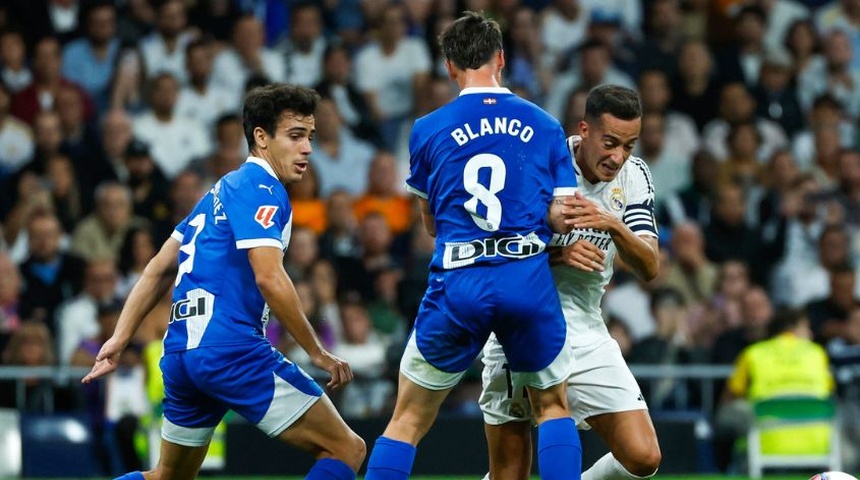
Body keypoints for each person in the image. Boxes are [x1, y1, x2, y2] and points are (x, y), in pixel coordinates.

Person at [81, 84, 366, 480]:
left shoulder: (216, 194)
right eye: (296, 136)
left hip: (181, 352)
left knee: (167, 476)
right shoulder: (261, 187)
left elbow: (159, 268)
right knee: (347, 448)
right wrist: (317, 351)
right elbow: (268, 275)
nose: (307, 150)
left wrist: (120, 336)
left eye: (311, 138)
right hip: (229, 348)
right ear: (261, 138)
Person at [363, 12, 582, 480]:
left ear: (449, 66)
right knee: (551, 407)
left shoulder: (427, 129)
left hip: (460, 279)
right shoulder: (543, 124)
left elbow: (431, 223)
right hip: (525, 276)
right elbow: (563, 214)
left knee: (407, 419)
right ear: (501, 58)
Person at [479, 85, 662, 480]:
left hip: (587, 328)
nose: (618, 157)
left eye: (629, 146)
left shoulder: (634, 176)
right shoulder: (538, 166)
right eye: (610, 143)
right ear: (585, 130)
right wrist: (558, 255)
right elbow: (492, 257)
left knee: (644, 457)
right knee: (509, 474)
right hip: (521, 322)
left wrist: (613, 224)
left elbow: (649, 266)